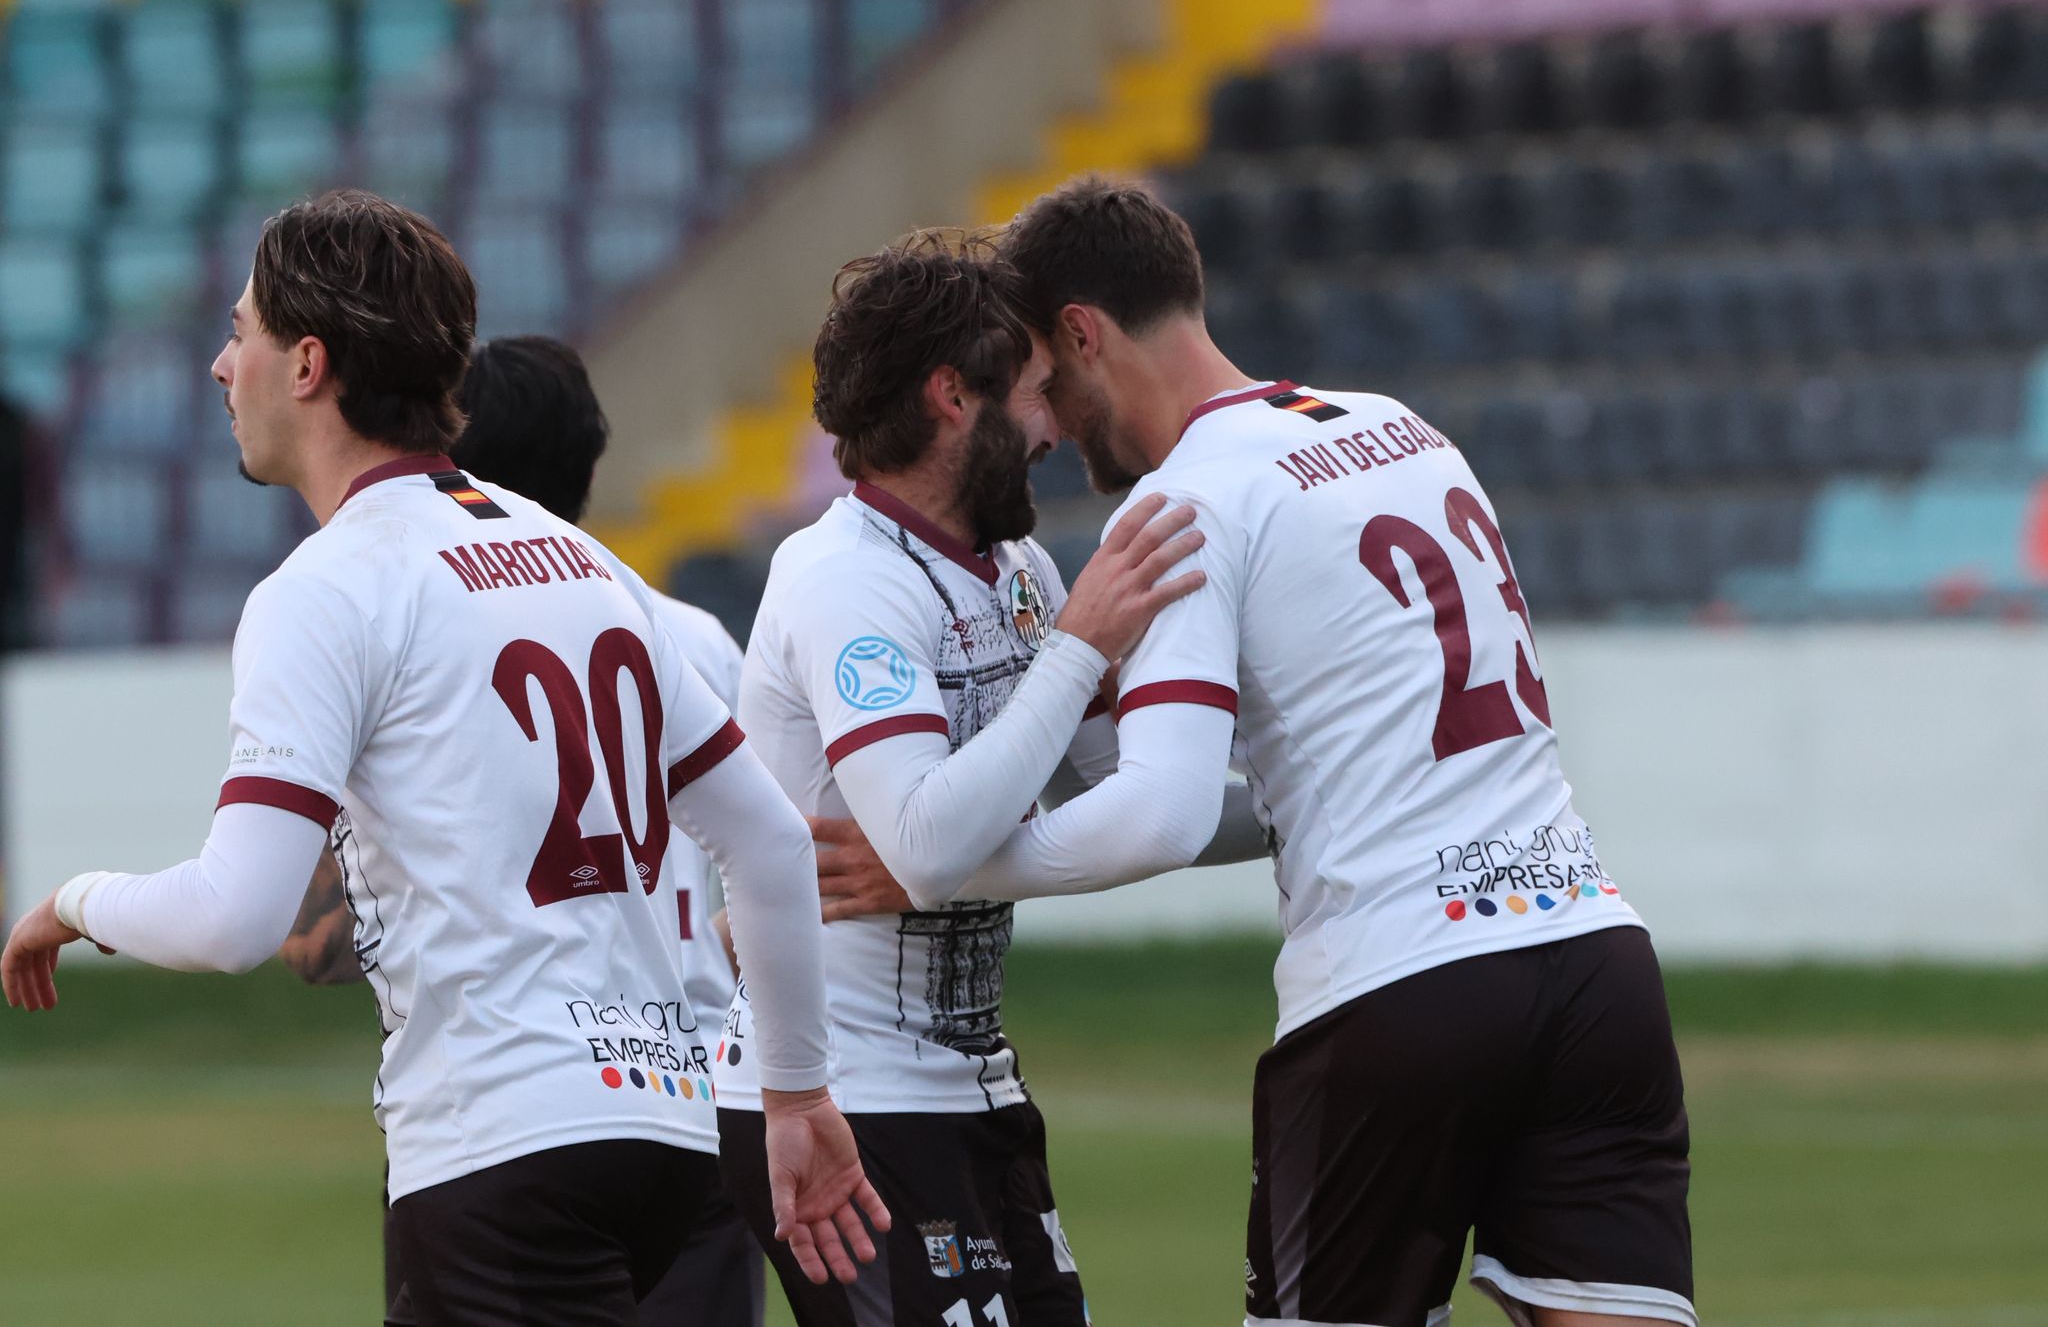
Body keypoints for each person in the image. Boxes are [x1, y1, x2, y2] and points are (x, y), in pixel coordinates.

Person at [0, 189, 887, 1325]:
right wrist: (797, 1091)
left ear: (308, 364)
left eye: (240, 332)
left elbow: (234, 919)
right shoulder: (585, 561)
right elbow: (767, 842)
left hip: (501, 1146)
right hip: (669, 1138)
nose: (222, 367)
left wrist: (74, 901)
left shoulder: (327, 589)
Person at [824, 179, 1694, 1327]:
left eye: (1042, 377)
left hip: (1398, 985)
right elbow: (1335, 766)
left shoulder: (1187, 501)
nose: (1048, 424)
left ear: (1081, 333)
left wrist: (942, 866)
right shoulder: (1403, 430)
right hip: (1592, 955)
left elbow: (1157, 813)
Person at [717, 229, 1209, 1326]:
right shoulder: (843, 578)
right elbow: (927, 845)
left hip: (975, 1085)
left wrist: (1286, 799)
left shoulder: (1019, 570)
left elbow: (1126, 794)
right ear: (951, 397)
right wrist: (1078, 649)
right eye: (1032, 393)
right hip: (850, 1097)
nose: (1053, 425)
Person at [276, 333, 769, 1326]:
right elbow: (782, 850)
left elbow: (311, 945)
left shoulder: (426, 634)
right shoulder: (693, 638)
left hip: (514, 1103)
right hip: (695, 1104)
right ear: (589, 465)